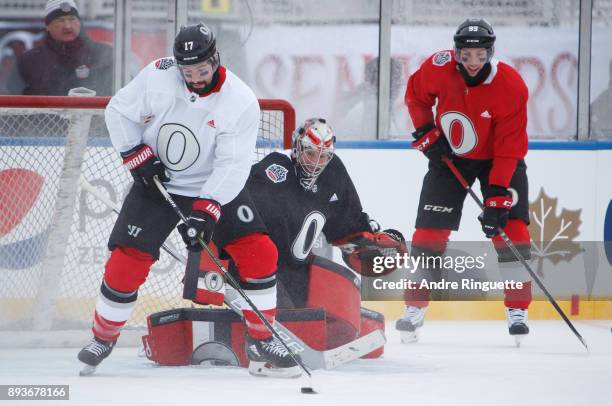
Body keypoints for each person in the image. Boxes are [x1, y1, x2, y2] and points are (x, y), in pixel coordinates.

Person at [76, 22, 292, 378]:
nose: (195, 77)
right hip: (159, 185)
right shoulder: (158, 74)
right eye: (187, 71)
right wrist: (135, 153)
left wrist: (207, 209)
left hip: (214, 184)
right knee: (126, 261)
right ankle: (103, 336)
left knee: (259, 251)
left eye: (202, 70)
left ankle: (261, 338)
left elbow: (233, 164)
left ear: (216, 60)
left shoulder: (240, 101)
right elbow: (118, 111)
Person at [396, 18, 533, 344]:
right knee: (428, 233)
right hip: (450, 158)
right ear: (456, 53)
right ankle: (414, 306)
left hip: (498, 161)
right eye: (466, 55)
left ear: (490, 53)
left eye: (480, 56)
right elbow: (415, 96)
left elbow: (510, 145)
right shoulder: (438, 66)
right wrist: (426, 133)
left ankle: (518, 309)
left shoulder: (511, 86)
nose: (473, 63)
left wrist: (497, 196)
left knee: (511, 232)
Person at [6, 0, 113, 96]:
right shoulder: (29, 61)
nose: (67, 26)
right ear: (48, 26)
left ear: (79, 23)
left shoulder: (103, 54)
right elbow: (11, 98)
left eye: (72, 19)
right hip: (44, 118)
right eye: (60, 20)